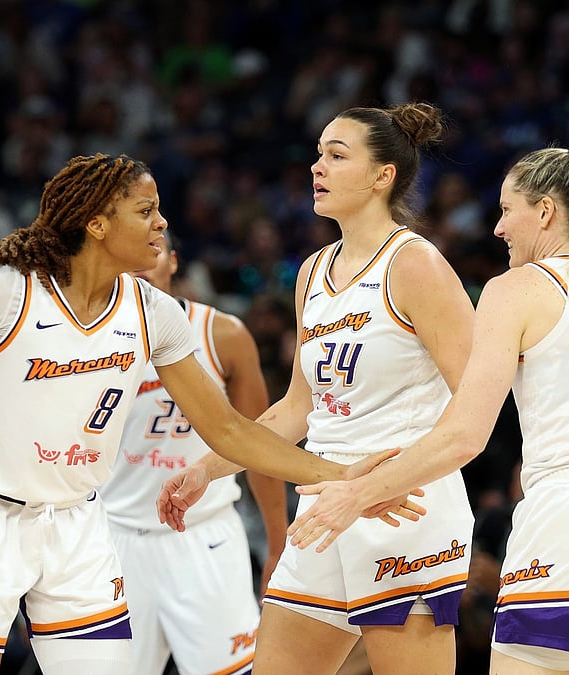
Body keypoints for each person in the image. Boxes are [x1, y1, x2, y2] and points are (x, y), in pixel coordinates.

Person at [0, 153, 413, 675]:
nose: (161, 222)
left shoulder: (154, 313)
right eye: (145, 211)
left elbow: (229, 431)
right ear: (96, 224)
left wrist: (342, 478)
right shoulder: (4, 288)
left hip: (80, 523)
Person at [288, 136, 569, 674]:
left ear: (545, 212)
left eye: (507, 210)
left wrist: (357, 493)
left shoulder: (518, 288)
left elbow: (465, 435)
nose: (498, 227)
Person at [157, 102, 477, 674]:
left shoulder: (416, 265)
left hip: (403, 508)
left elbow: (477, 403)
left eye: (336, 155)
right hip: (325, 502)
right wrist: (206, 467)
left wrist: (384, 482)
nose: (316, 167)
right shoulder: (313, 271)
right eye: (317, 154)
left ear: (384, 176)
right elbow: (299, 410)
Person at [97, 231, 286, 675]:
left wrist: (278, 544)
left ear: (174, 262)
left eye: (154, 249)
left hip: (205, 537)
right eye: (131, 249)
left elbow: (261, 445)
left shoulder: (223, 335)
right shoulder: (86, 343)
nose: (142, 260)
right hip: (113, 540)